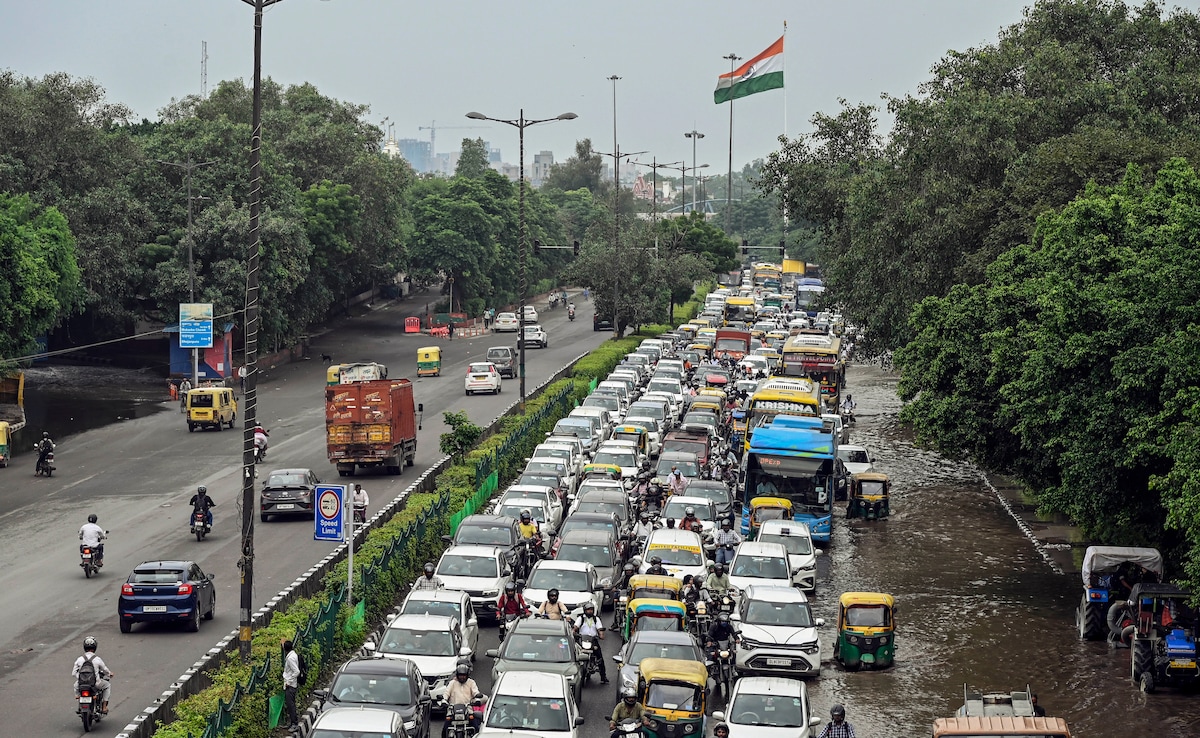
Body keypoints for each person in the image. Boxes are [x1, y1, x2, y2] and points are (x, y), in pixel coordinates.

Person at [72, 635, 113, 716]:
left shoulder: (79, 659)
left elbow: (73, 673)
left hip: (81, 684)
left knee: (76, 686)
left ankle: (79, 699)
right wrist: (110, 674)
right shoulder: (97, 659)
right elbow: (105, 670)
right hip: (95, 684)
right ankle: (104, 707)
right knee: (107, 685)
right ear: (95, 647)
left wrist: (80, 679)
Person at [573, 602, 609, 683]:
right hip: (582, 640)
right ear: (585, 610)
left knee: (600, 657)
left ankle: (603, 676)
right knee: (575, 655)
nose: (590, 611)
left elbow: (600, 628)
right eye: (588, 610)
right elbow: (575, 627)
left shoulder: (596, 619)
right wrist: (574, 632)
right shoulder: (581, 618)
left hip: (593, 640)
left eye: (591, 610)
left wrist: (601, 634)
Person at [444, 664, 483, 736]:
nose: (462, 677)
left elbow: (475, 692)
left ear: (467, 675)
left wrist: (477, 698)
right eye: (460, 675)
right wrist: (444, 700)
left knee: (476, 729)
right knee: (445, 729)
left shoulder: (471, 682)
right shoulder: (452, 683)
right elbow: (446, 693)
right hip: (453, 709)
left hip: (468, 709)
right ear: (457, 675)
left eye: (464, 675)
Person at [281, 639, 300, 732]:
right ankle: (292, 722)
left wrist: (289, 681)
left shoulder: (290, 658)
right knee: (290, 705)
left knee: (291, 705)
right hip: (291, 684)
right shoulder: (292, 655)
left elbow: (296, 671)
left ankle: (294, 724)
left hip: (290, 685)